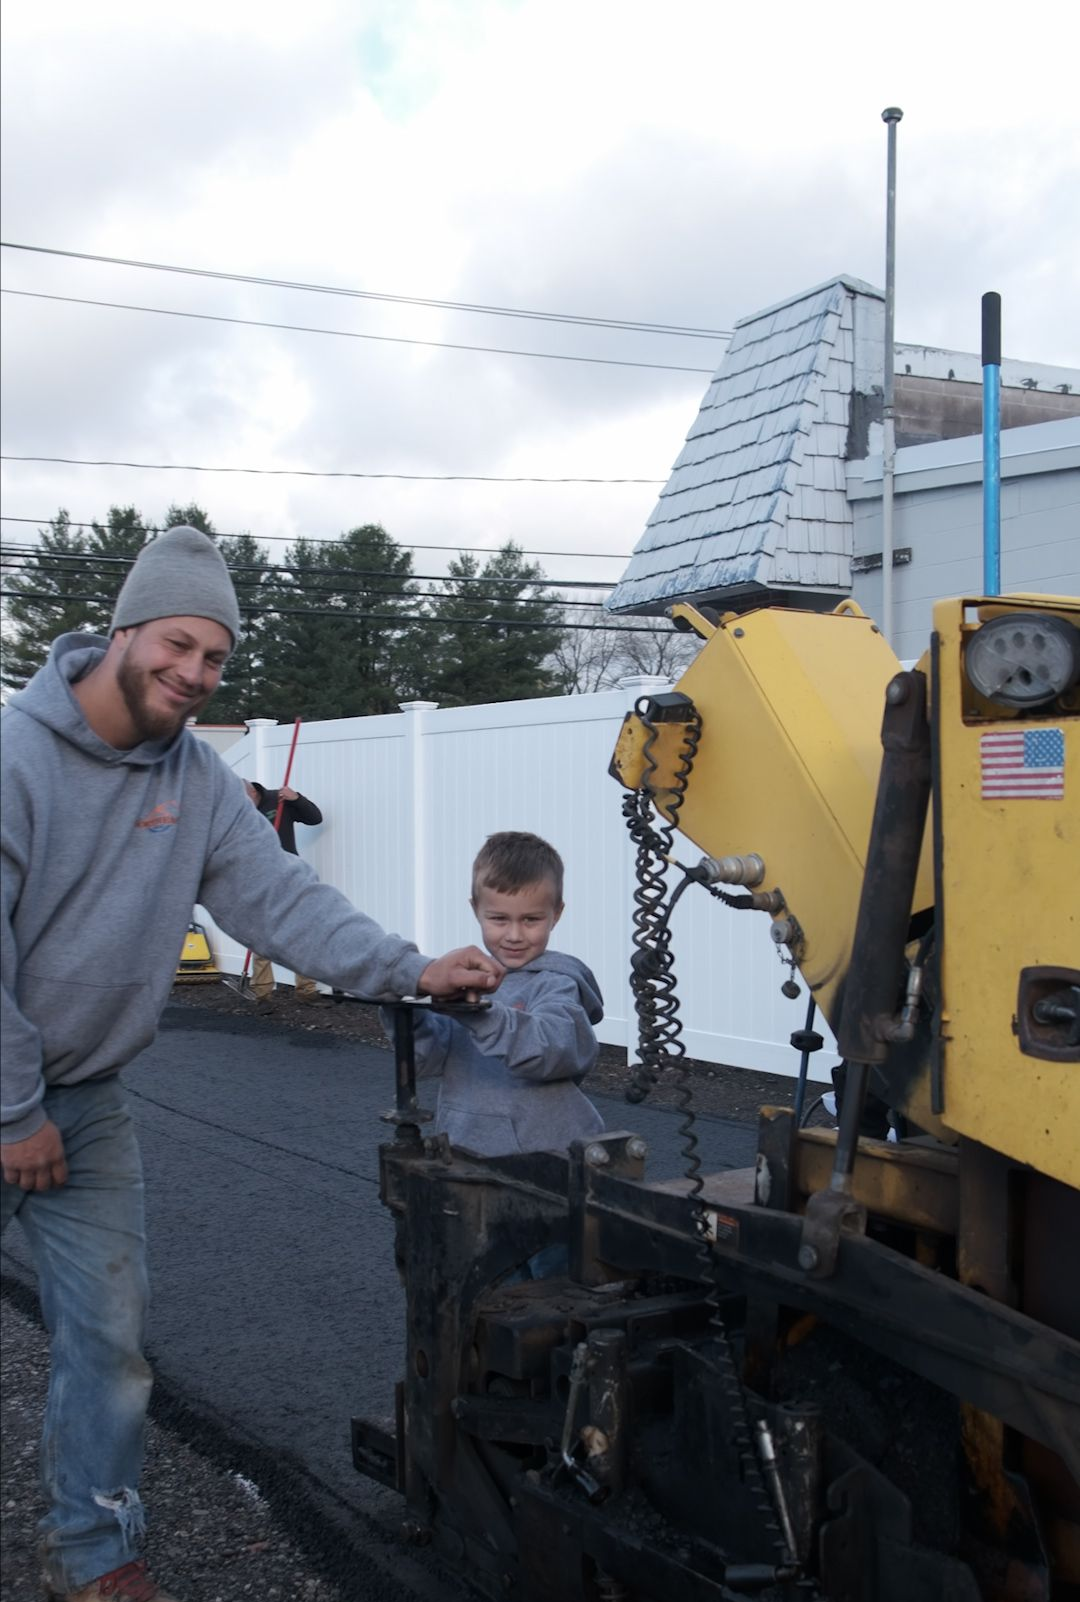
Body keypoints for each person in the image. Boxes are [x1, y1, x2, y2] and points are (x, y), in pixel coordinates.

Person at [0, 525, 503, 1602]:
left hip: (86, 1103)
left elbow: (282, 903)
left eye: (216, 657)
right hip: (6, 1098)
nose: (194, 672)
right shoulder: (13, 760)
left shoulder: (196, 779)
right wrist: (12, 1115)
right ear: (124, 632)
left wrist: (414, 970)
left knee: (111, 1340)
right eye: (177, 645)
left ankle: (93, 1555)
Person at [397, 831, 604, 1159]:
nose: (514, 935)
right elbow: (425, 1060)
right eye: (498, 919)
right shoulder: (464, 980)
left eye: (531, 920)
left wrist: (482, 1015)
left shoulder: (556, 983)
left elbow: (554, 1051)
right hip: (464, 1150)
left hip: (549, 1159)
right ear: (476, 909)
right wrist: (403, 1008)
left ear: (557, 913)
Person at [243, 778, 324, 1003]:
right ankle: (262, 992)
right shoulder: (238, 812)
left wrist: (296, 798)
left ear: (253, 793)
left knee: (301, 932)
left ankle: (306, 990)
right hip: (259, 880)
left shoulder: (278, 800)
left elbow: (315, 818)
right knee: (261, 937)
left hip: (290, 877)